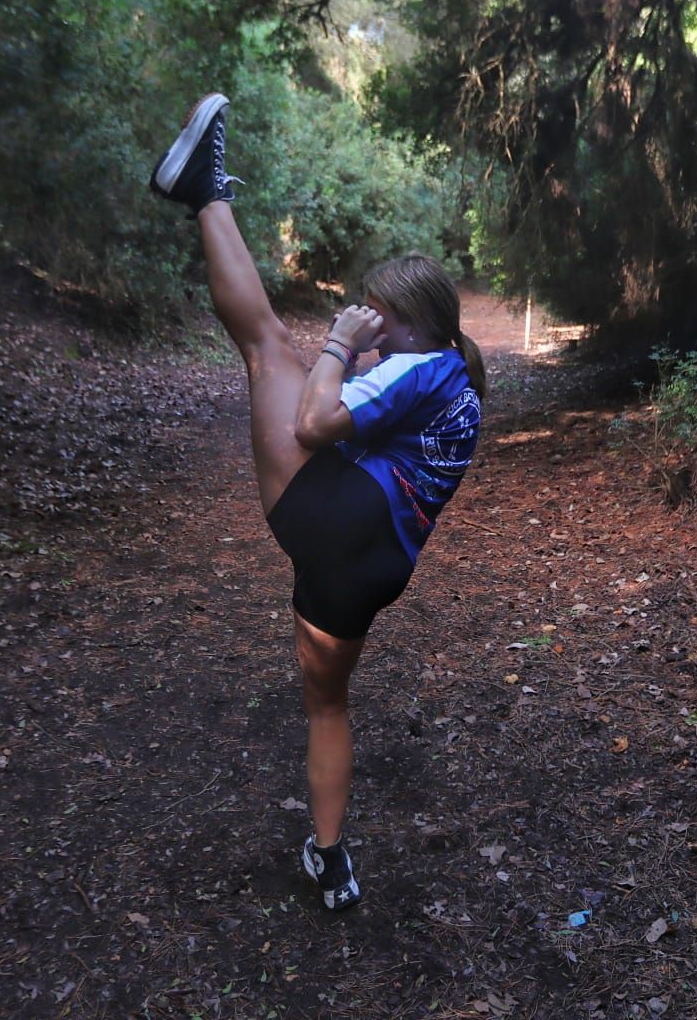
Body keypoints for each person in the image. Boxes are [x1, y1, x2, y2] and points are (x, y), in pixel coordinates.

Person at [149, 93, 485, 910]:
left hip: (332, 519)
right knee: (327, 704)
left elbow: (315, 419)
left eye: (380, 314)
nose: (368, 325)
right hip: (373, 571)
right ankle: (330, 862)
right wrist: (356, 353)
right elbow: (367, 415)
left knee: (267, 343)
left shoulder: (419, 365)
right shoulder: (461, 382)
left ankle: (202, 189)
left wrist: (337, 342)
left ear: (409, 323)